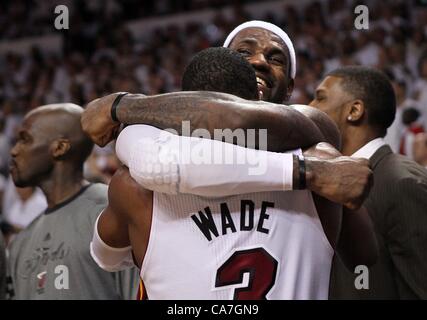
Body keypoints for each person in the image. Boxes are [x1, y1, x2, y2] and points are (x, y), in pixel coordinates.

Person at [82, 21, 377, 269]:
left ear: (289, 89)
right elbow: (108, 258)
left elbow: (363, 254)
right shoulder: (148, 160)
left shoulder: (313, 131)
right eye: (244, 53)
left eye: (275, 59)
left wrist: (121, 106)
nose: (259, 61)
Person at [309, 65, 427, 299]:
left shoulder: (402, 182)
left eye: (320, 98)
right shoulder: (328, 181)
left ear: (354, 110)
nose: (311, 107)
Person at [7, 103, 139, 299]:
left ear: (60, 148)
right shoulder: (20, 242)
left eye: (25, 140)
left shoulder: (111, 210)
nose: (14, 151)